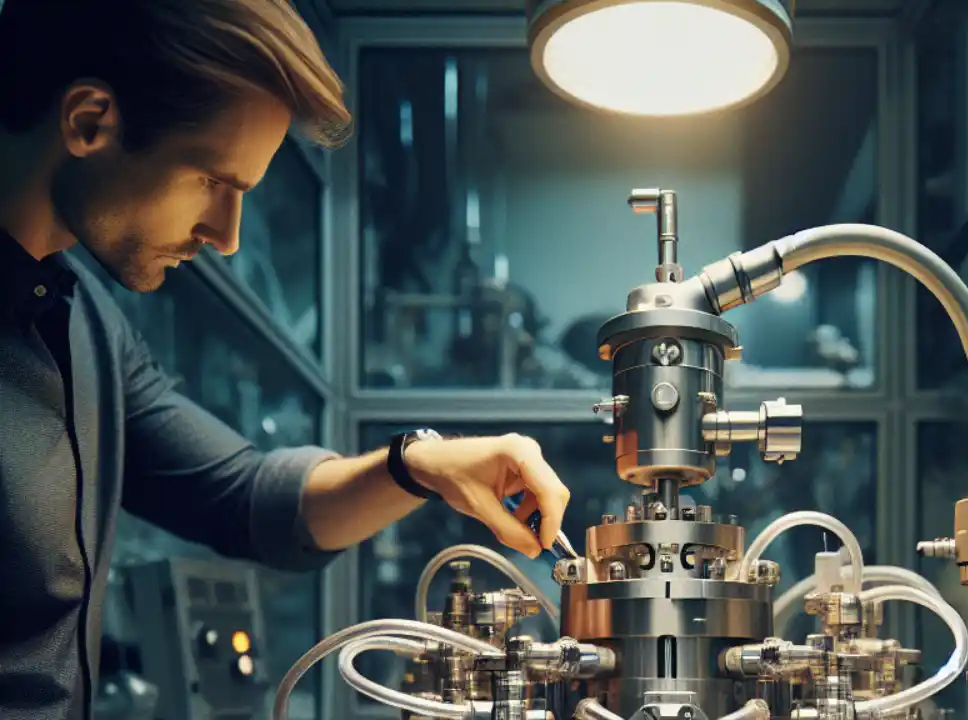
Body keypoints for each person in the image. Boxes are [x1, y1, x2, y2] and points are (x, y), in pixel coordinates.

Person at [0, 1, 572, 718]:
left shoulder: (84, 324)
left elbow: (244, 500)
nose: (229, 235)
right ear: (89, 122)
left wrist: (420, 465)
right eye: (213, 181)